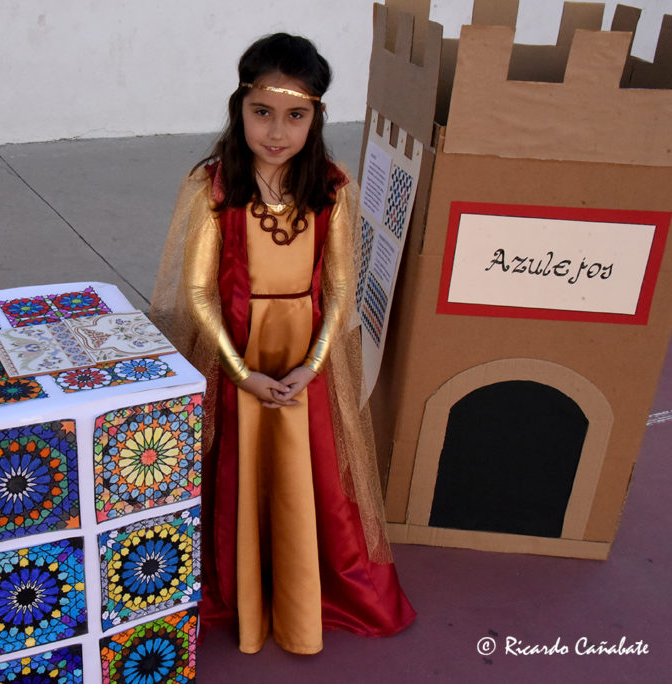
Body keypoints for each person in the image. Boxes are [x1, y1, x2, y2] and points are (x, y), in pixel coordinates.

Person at [151, 33, 415, 655]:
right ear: (239, 108)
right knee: (239, 470)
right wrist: (240, 372)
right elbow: (199, 291)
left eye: (295, 116)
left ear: (315, 117)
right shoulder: (214, 188)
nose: (276, 131)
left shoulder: (332, 187)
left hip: (304, 359)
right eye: (262, 112)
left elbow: (341, 285)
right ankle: (244, 583)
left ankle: (303, 590)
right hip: (239, 352)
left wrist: (314, 365)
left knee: (309, 474)